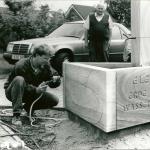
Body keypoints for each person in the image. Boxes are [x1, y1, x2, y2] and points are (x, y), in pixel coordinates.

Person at [4, 44, 61, 126]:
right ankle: (16, 115)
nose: (47, 61)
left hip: (32, 92)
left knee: (54, 100)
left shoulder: (45, 65)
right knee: (19, 79)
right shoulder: (21, 65)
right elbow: (21, 84)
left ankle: (28, 107)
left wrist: (56, 80)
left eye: (49, 58)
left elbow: (52, 79)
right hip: (13, 92)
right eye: (45, 58)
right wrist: (36, 90)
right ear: (37, 55)